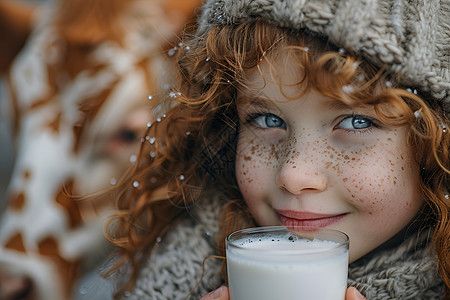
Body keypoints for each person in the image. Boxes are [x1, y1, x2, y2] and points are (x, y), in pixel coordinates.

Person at [104, 0, 449, 299]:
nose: (293, 175)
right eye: (268, 119)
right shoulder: (181, 271)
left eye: (356, 123)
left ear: (436, 143)